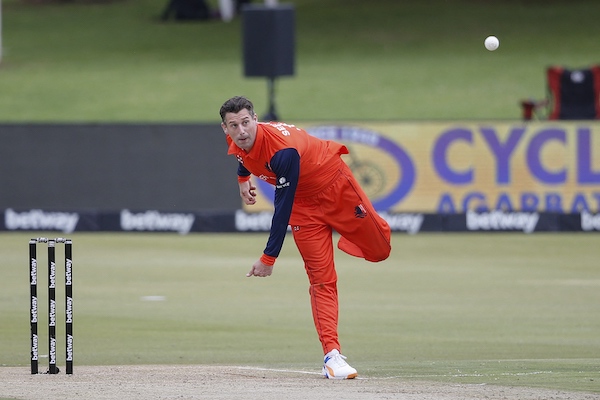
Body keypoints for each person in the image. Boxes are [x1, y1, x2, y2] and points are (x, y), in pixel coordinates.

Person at [219, 96, 391, 380]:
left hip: (334, 185)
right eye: (234, 125)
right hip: (304, 208)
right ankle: (332, 356)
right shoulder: (238, 141)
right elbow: (243, 158)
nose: (242, 131)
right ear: (225, 128)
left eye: (246, 123)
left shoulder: (282, 152)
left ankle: (348, 236)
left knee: (380, 249)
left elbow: (281, 207)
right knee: (321, 279)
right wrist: (242, 180)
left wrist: (268, 258)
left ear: (256, 119)